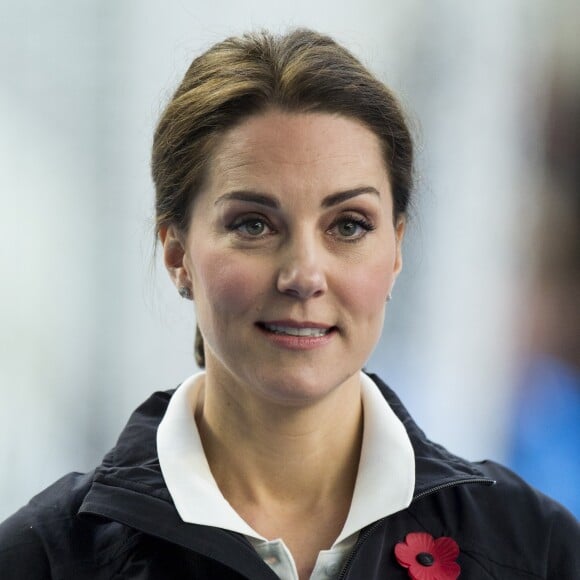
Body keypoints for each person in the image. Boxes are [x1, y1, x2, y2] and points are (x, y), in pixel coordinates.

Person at [0, 29, 578, 580]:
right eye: (253, 224)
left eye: (348, 226)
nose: (303, 275)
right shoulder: (41, 561)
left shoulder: (535, 549)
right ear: (177, 252)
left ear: (397, 250)